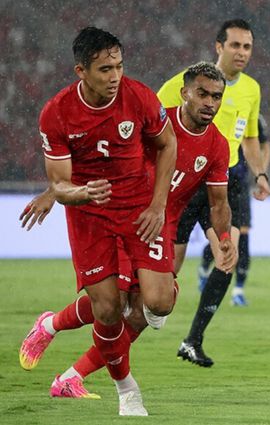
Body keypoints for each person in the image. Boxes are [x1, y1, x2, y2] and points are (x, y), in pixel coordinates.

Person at [19, 62, 236, 396]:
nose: (209, 103)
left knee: (145, 311)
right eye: (202, 94)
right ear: (184, 93)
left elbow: (218, 203)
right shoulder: (154, 122)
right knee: (115, 303)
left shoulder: (217, 145)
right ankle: (50, 326)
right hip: (122, 216)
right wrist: (53, 192)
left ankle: (70, 377)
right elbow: (97, 155)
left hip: (161, 227)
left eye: (216, 97)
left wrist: (223, 238)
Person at [20, 26, 178, 416]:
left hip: (139, 208)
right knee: (108, 309)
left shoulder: (139, 97)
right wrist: (82, 192)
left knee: (159, 302)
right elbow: (59, 184)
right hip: (90, 215)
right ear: (81, 71)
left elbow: (167, 143)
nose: (115, 76)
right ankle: (127, 391)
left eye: (119, 66)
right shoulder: (57, 113)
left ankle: (52, 325)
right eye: (105, 69)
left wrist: (158, 205)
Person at [157, 18, 270, 366]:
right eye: (235, 45)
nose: (241, 52)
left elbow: (249, 138)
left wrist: (260, 173)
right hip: (185, 183)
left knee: (227, 258)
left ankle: (193, 339)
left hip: (225, 182)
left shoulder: (251, 89)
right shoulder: (185, 83)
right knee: (167, 274)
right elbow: (154, 124)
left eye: (247, 47)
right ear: (219, 47)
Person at [198, 113, 270, 307]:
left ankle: (238, 290)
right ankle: (205, 267)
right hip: (215, 179)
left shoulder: (252, 117)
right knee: (220, 235)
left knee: (242, 234)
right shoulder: (217, 111)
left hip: (239, 182)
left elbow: (265, 146)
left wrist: (260, 173)